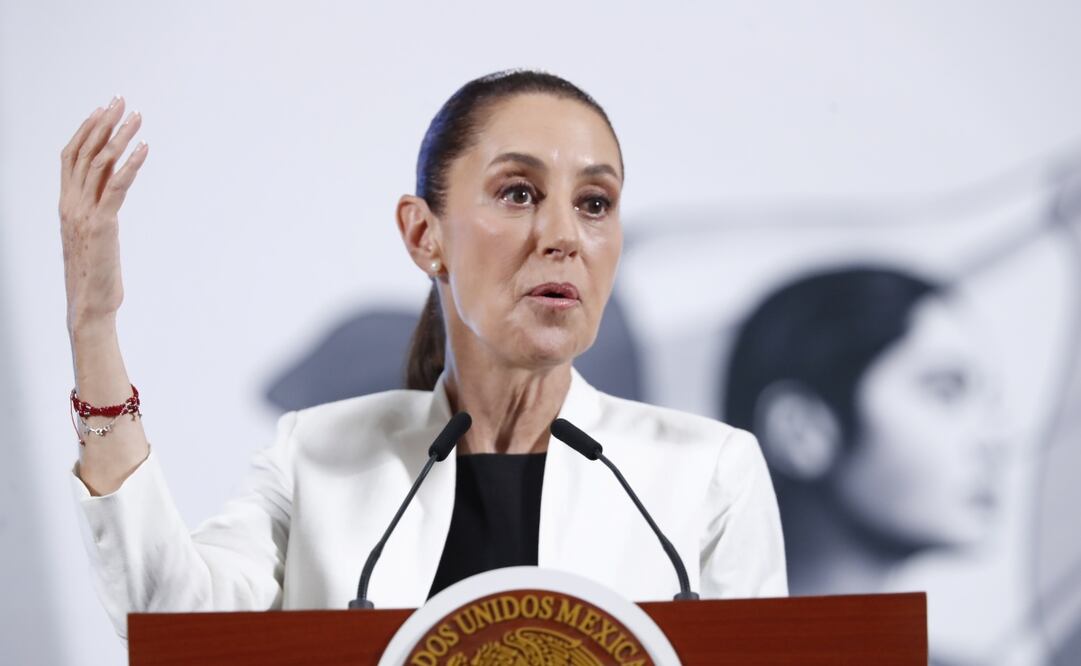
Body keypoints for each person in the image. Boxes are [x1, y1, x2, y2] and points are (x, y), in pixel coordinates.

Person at [60, 70, 787, 638]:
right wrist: (95, 328)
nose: (563, 234)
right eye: (519, 192)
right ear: (422, 235)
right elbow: (167, 621)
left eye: (594, 203)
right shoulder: (315, 456)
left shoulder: (708, 474)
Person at [722, 266, 1002, 596]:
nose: (996, 437)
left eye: (989, 401)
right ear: (801, 431)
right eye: (945, 392)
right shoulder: (667, 645)